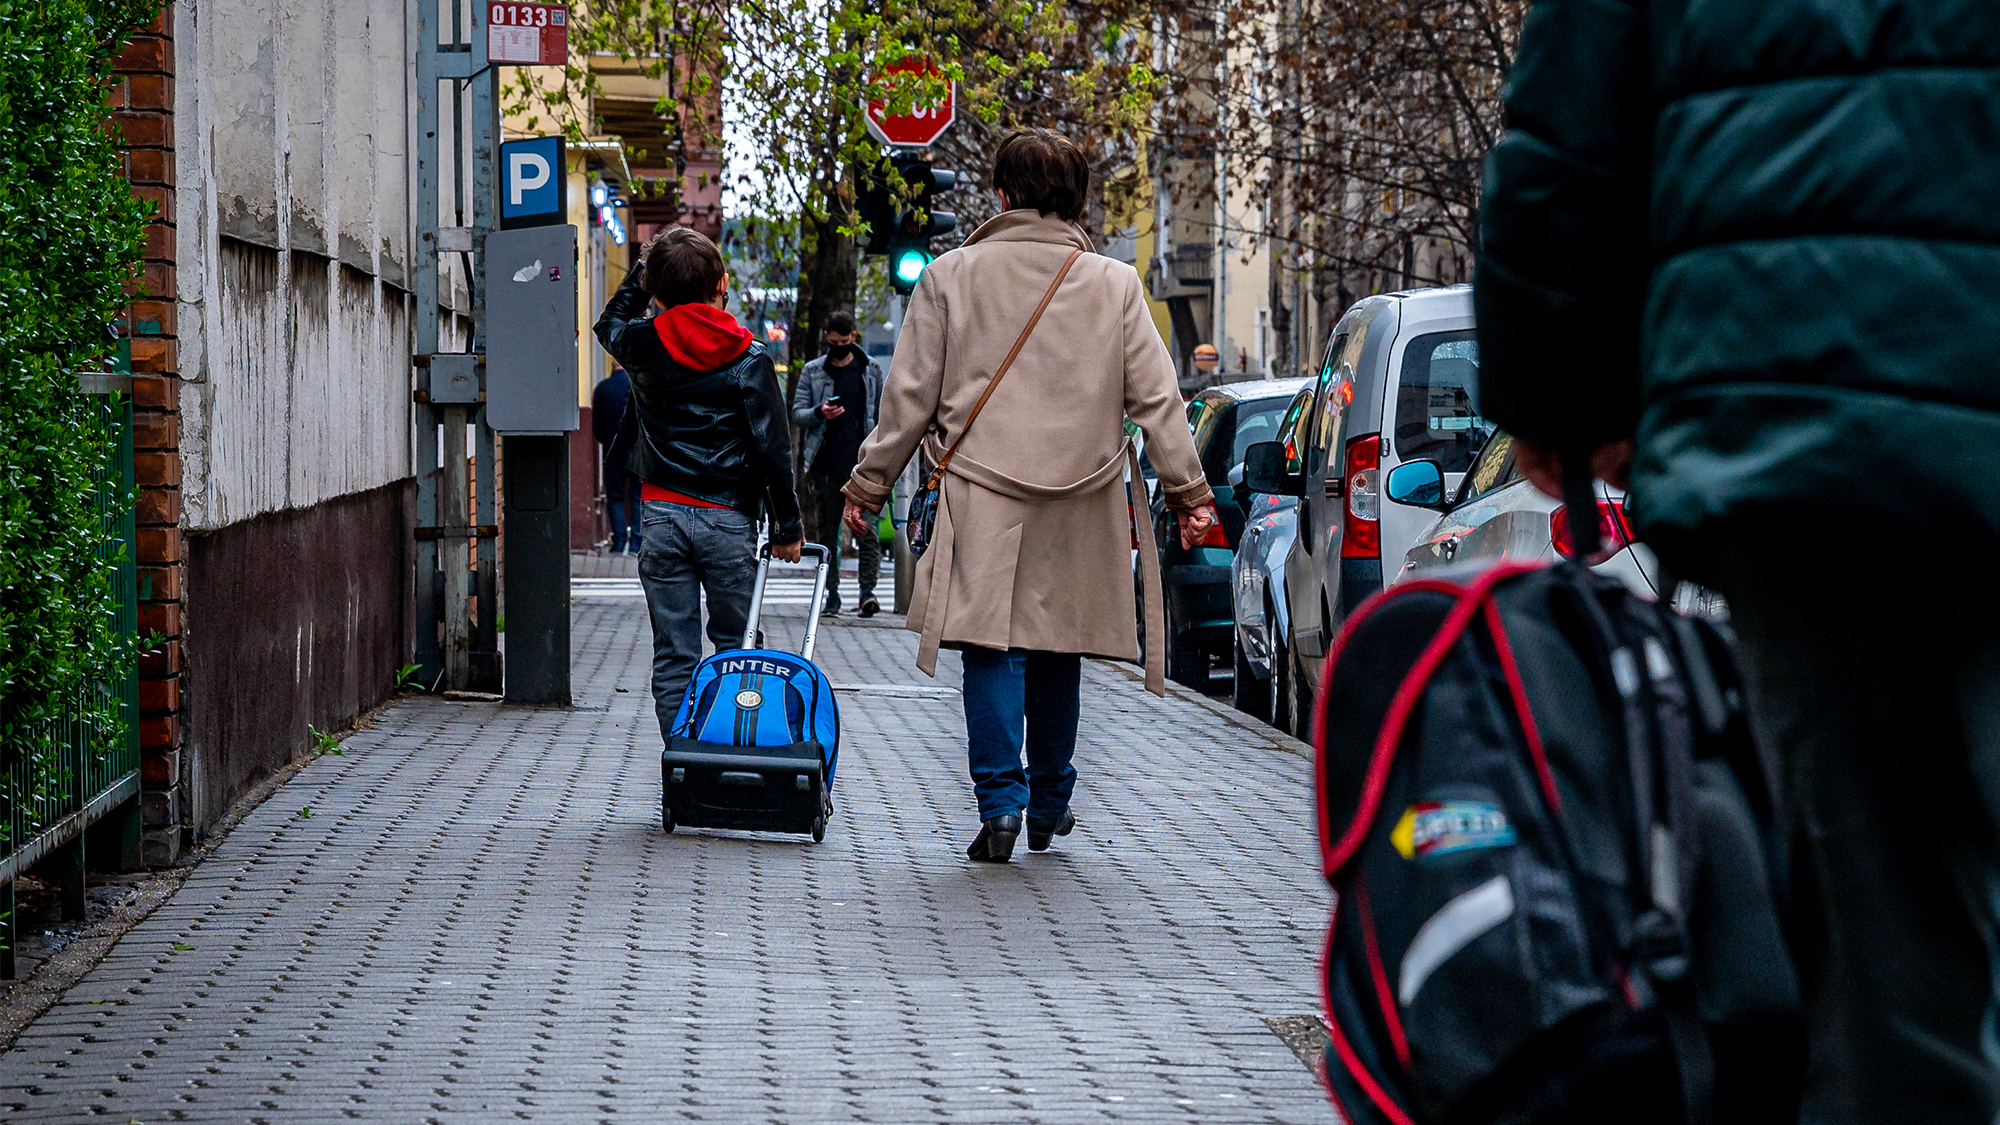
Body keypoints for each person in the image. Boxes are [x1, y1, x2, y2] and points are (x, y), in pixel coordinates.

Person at [1474, 4, 2000, 1121]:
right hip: (1809, 415)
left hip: (1807, 417)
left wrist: (1556, 392)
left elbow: (1567, 130)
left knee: (1884, 949)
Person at [841, 128, 1217, 864]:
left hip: (983, 490)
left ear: (1003, 195)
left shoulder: (950, 276)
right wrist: (1189, 493)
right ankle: (1049, 799)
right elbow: (1158, 400)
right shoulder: (1113, 284)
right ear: (1076, 200)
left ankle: (1002, 806)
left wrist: (868, 485)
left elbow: (908, 400)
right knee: (1058, 647)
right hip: (1083, 496)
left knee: (992, 646)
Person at [594, 227, 805, 745]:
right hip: (728, 520)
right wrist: (788, 527)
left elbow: (610, 323)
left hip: (661, 516)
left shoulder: (643, 345)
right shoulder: (750, 358)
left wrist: (643, 277)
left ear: (656, 290)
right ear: (722, 284)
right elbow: (772, 448)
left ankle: (684, 759)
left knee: (674, 654)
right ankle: (730, 755)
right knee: (738, 649)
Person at [791, 311, 886, 617]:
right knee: (828, 532)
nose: (839, 347)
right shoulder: (813, 371)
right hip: (826, 465)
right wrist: (820, 412)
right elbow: (797, 413)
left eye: (843, 342)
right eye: (833, 343)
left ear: (852, 338)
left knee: (867, 530)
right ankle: (831, 594)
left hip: (862, 465)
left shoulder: (870, 370)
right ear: (826, 339)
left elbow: (881, 414)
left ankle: (867, 594)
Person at [590, 365, 642, 554]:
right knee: (637, 497)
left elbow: (597, 425)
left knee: (615, 496)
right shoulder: (639, 387)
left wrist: (607, 440)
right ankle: (637, 541)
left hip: (613, 451)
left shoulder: (603, 389)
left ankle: (619, 541)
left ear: (612, 365)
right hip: (637, 452)